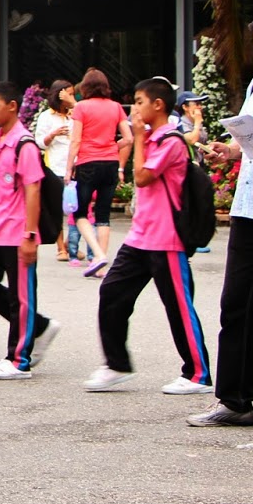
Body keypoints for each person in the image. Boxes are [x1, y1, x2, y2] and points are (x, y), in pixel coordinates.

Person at [83, 76, 212, 396]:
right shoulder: (153, 137)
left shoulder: (170, 141)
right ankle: (116, 364)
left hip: (167, 239)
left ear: (158, 105)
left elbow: (141, 178)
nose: (135, 108)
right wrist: (139, 138)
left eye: (139, 102)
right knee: (112, 293)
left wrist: (138, 138)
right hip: (140, 238)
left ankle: (198, 374)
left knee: (179, 307)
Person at [189, 7, 253, 429]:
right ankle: (235, 400)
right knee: (236, 306)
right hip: (249, 210)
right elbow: (250, 138)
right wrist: (228, 149)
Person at [0, 80, 60, 380]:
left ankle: (19, 360)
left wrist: (30, 235)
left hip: (17, 233)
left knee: (22, 298)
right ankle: (40, 327)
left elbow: (33, 191)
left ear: (12, 106)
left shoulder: (24, 144)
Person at [66, 66, 131, 278]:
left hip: (87, 163)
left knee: (80, 213)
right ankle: (100, 264)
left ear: (84, 87)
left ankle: (99, 254)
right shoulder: (116, 107)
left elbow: (75, 140)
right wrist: (112, 147)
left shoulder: (81, 107)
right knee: (104, 215)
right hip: (111, 164)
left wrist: (69, 168)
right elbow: (129, 138)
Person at [36, 79, 80, 262]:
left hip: (76, 166)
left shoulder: (75, 114)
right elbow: (39, 142)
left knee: (77, 209)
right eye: (68, 94)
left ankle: (73, 246)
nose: (72, 97)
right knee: (57, 209)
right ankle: (61, 247)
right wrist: (53, 134)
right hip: (56, 167)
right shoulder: (47, 116)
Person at [175, 90, 210, 156]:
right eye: (197, 104)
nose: (200, 107)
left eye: (200, 104)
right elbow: (192, 140)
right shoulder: (181, 123)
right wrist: (197, 122)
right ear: (185, 107)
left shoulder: (196, 122)